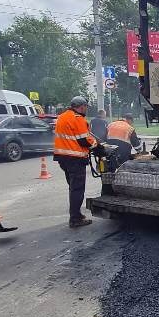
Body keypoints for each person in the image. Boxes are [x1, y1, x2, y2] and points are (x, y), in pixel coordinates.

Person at [53, 95, 100, 228]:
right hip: (75, 158)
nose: (86, 109)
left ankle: (76, 215)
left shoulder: (62, 116)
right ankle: (75, 219)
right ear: (82, 106)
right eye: (86, 107)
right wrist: (99, 147)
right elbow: (84, 140)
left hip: (62, 158)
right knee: (77, 189)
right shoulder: (77, 118)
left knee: (73, 187)